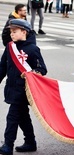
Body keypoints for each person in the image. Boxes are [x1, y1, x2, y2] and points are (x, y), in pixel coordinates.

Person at [0, 19, 47, 155]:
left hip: (24, 90)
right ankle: (30, 142)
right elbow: (2, 67)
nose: (11, 34)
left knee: (12, 116)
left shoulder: (32, 49)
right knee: (22, 116)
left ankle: (8, 145)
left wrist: (34, 72)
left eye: (14, 32)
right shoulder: (10, 47)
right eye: (10, 32)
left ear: (24, 32)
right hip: (11, 87)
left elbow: (42, 68)